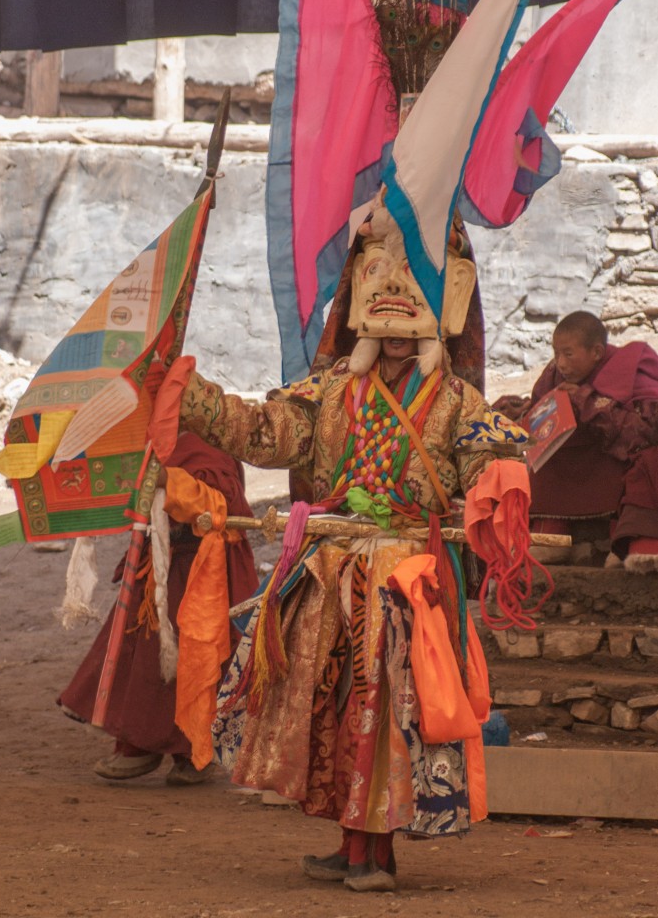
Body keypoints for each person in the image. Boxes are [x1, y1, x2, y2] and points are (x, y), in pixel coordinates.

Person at [168, 201, 530, 892]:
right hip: (329, 574)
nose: (394, 340)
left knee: (385, 715)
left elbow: (492, 463)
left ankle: (377, 855)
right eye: (382, 324)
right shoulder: (330, 392)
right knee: (333, 714)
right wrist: (186, 394)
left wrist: (497, 480)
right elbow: (262, 431)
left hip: (404, 585)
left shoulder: (457, 404)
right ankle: (349, 844)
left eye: (407, 327)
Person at [58, 433, 257, 784]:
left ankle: (192, 753)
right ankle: (138, 745)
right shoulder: (149, 438)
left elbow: (222, 506)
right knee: (142, 658)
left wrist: (169, 480)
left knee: (197, 659)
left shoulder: (208, 446)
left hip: (203, 568)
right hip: (157, 562)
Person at [495, 311, 658, 568]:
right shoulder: (555, 374)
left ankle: (623, 540)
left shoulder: (628, 367)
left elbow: (644, 431)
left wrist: (586, 400)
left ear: (596, 352)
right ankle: (551, 532)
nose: (560, 362)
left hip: (613, 456)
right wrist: (523, 411)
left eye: (568, 354)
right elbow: (541, 406)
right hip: (569, 454)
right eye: (556, 353)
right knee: (543, 454)